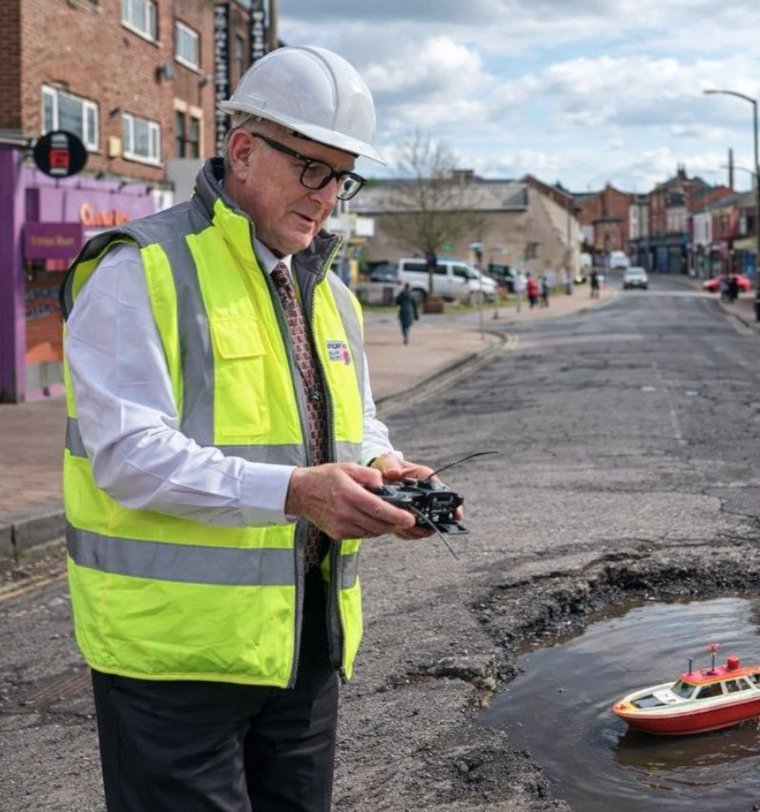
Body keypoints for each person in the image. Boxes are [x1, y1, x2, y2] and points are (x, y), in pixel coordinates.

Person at [60, 45, 460, 812]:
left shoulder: (330, 292)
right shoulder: (140, 269)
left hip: (301, 642)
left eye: (343, 177)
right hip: (176, 658)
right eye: (314, 170)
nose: (329, 198)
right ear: (244, 150)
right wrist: (294, 493)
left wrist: (387, 468)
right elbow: (127, 456)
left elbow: (352, 417)